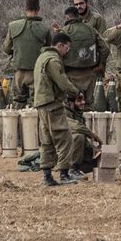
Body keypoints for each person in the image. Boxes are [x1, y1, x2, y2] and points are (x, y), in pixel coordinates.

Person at [32, 32, 84, 186]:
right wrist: (76, 93)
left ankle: (47, 177)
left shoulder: (41, 57)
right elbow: (63, 82)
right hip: (52, 104)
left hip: (41, 104)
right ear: (60, 45)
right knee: (65, 139)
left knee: (47, 141)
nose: (67, 52)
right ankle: (64, 174)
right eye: (67, 48)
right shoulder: (54, 60)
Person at [3, 0, 51, 105]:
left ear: (25, 8)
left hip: (19, 71)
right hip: (37, 71)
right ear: (38, 9)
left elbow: (6, 49)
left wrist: (15, 53)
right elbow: (49, 51)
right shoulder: (45, 28)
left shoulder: (13, 26)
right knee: (38, 103)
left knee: (18, 103)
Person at [59, 4, 107, 94]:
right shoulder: (91, 29)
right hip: (90, 73)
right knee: (89, 104)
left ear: (68, 17)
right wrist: (100, 64)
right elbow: (105, 49)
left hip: (71, 74)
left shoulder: (64, 31)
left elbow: (57, 52)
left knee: (73, 103)